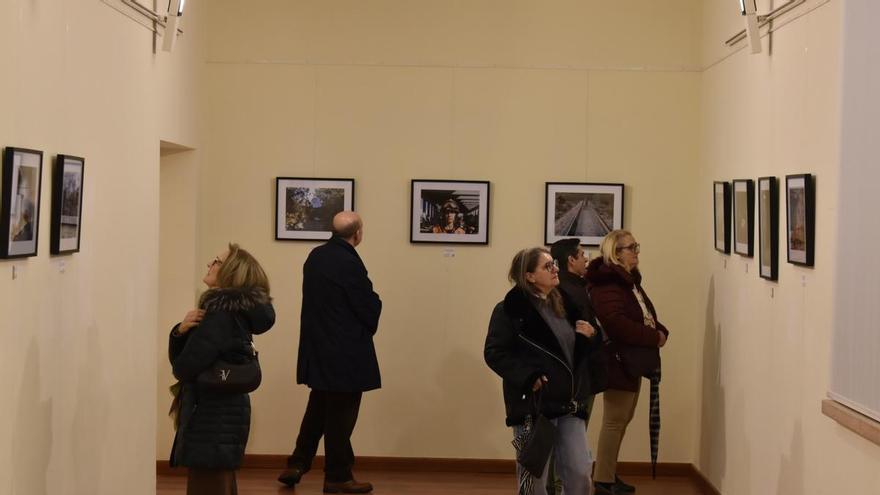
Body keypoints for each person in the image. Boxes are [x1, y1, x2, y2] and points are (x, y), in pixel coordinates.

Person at [278, 211, 382, 494]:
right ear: (357, 233)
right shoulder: (349, 262)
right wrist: (376, 303)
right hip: (345, 351)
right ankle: (338, 475)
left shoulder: (316, 257)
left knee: (319, 408)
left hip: (318, 347)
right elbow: (366, 305)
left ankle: (298, 463)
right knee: (341, 416)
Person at [484, 247, 598, 495]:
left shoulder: (564, 305)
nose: (555, 268)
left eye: (554, 263)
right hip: (533, 407)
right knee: (532, 480)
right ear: (529, 276)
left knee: (580, 474)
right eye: (547, 266)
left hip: (569, 404)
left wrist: (587, 338)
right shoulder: (509, 311)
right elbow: (495, 353)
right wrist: (528, 376)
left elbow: (572, 353)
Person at [168, 243, 275, 495]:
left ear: (230, 271)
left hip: (211, 416)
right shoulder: (235, 312)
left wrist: (179, 334)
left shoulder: (220, 313)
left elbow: (184, 367)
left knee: (208, 483)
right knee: (220, 483)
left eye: (216, 261)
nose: (209, 264)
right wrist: (181, 330)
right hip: (226, 412)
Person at [585, 230, 668, 495]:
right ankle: (603, 480)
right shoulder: (608, 284)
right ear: (616, 252)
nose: (636, 252)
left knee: (623, 418)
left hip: (630, 359)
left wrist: (660, 330)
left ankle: (607, 474)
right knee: (615, 420)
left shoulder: (626, 281)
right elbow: (617, 323)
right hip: (617, 360)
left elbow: (642, 314)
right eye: (631, 247)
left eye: (636, 246)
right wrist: (654, 336)